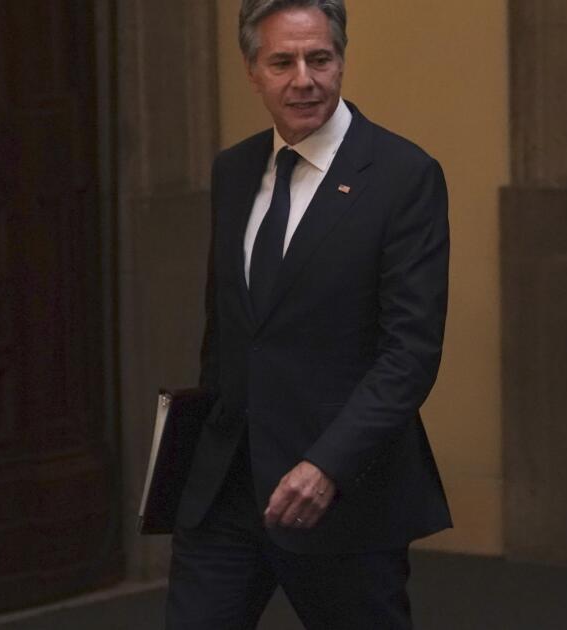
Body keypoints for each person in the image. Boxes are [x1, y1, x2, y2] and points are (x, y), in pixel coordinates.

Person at [165, 1, 451, 628]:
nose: (304, 79)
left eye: (320, 58)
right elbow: (229, 329)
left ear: (341, 60)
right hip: (228, 488)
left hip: (340, 492)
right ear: (253, 71)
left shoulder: (404, 176)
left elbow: (410, 353)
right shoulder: (234, 170)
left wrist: (327, 465)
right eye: (282, 62)